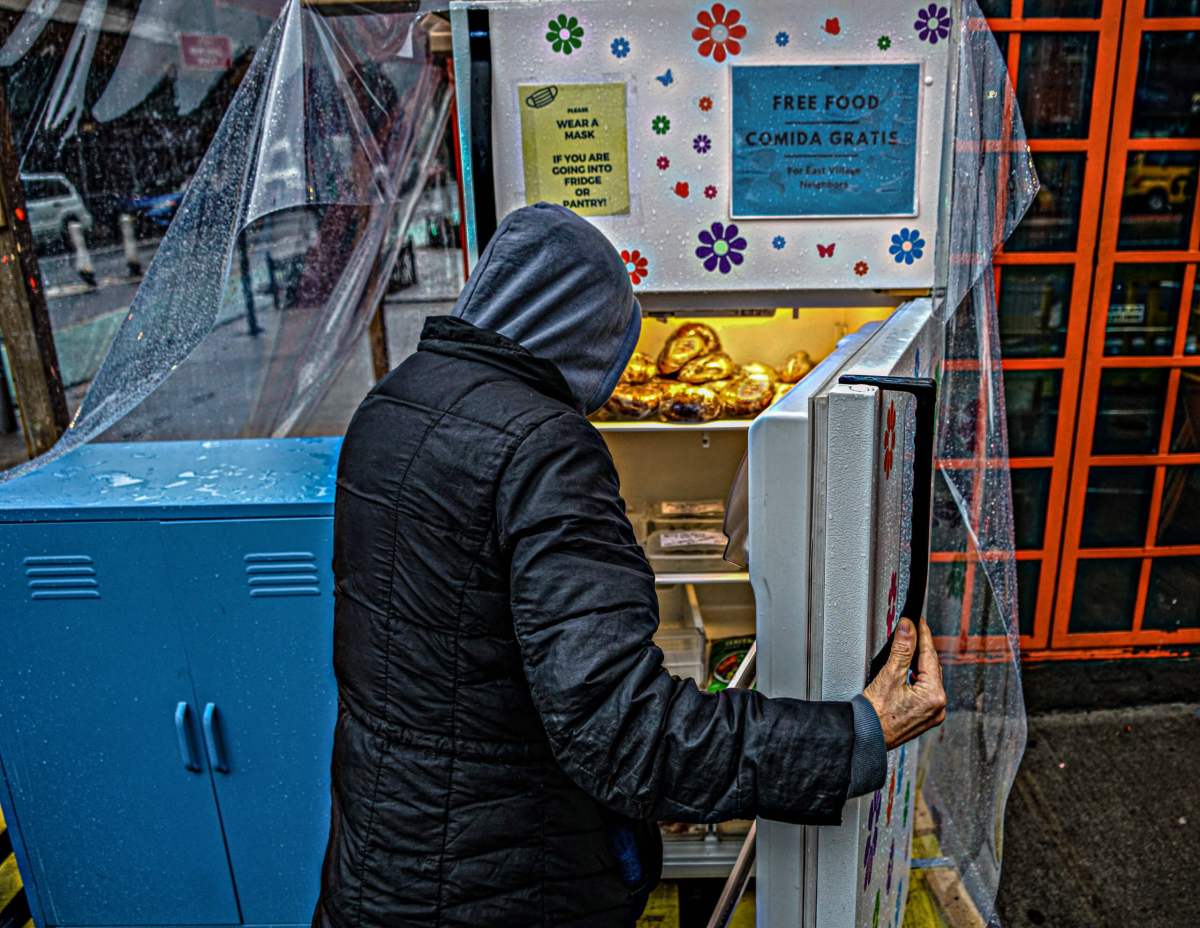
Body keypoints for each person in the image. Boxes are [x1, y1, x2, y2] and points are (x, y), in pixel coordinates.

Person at [313, 203, 946, 928]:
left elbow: (462, 656)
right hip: (504, 884)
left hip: (384, 860)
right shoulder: (542, 447)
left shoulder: (392, 405)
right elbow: (623, 733)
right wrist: (852, 735)